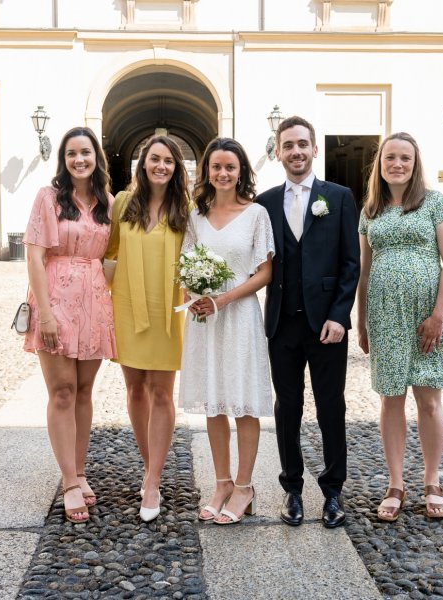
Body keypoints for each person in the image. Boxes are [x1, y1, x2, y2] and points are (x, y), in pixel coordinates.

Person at [256, 116, 360, 529]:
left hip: (327, 326)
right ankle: (292, 489)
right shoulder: (264, 203)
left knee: (331, 407)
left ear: (315, 149)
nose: (296, 151)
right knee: (287, 408)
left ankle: (333, 492)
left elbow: (351, 264)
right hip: (282, 323)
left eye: (303, 144)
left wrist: (339, 317)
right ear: (278, 152)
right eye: (288, 145)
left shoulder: (339, 197)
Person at [356, 132, 443, 521]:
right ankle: (396, 483)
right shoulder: (370, 210)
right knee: (391, 397)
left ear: (415, 165)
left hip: (425, 316)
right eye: (390, 158)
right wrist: (361, 319)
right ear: (379, 164)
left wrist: (438, 315)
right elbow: (365, 270)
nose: (397, 164)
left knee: (429, 399)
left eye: (405, 158)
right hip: (384, 316)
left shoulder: (434, 202)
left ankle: (432, 479)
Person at [179, 137, 274, 525]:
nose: (222, 173)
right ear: (207, 172)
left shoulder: (256, 214)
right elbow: (184, 265)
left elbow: (265, 272)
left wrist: (225, 298)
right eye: (216, 167)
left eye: (230, 167)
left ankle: (245, 487)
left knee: (242, 401)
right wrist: (193, 294)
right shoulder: (194, 217)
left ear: (241, 172)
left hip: (239, 318)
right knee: (214, 401)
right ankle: (220, 484)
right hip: (203, 319)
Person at [23, 126, 116, 524]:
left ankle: (79, 469)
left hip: (94, 302)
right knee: (61, 391)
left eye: (85, 152)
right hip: (55, 301)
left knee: (82, 391)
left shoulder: (107, 202)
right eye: (71, 153)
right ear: (63, 159)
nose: (79, 159)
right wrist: (44, 313)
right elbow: (33, 256)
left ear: (96, 157)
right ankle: (68, 481)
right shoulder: (48, 197)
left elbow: (111, 258)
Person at [105, 135, 190, 522]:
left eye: (168, 161)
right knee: (135, 388)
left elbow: (199, 255)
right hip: (127, 305)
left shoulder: (185, 209)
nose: (161, 166)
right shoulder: (123, 203)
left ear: (176, 167)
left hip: (167, 309)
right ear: (143, 163)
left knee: (161, 393)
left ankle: (153, 481)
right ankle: (149, 465)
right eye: (154, 159)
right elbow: (107, 252)